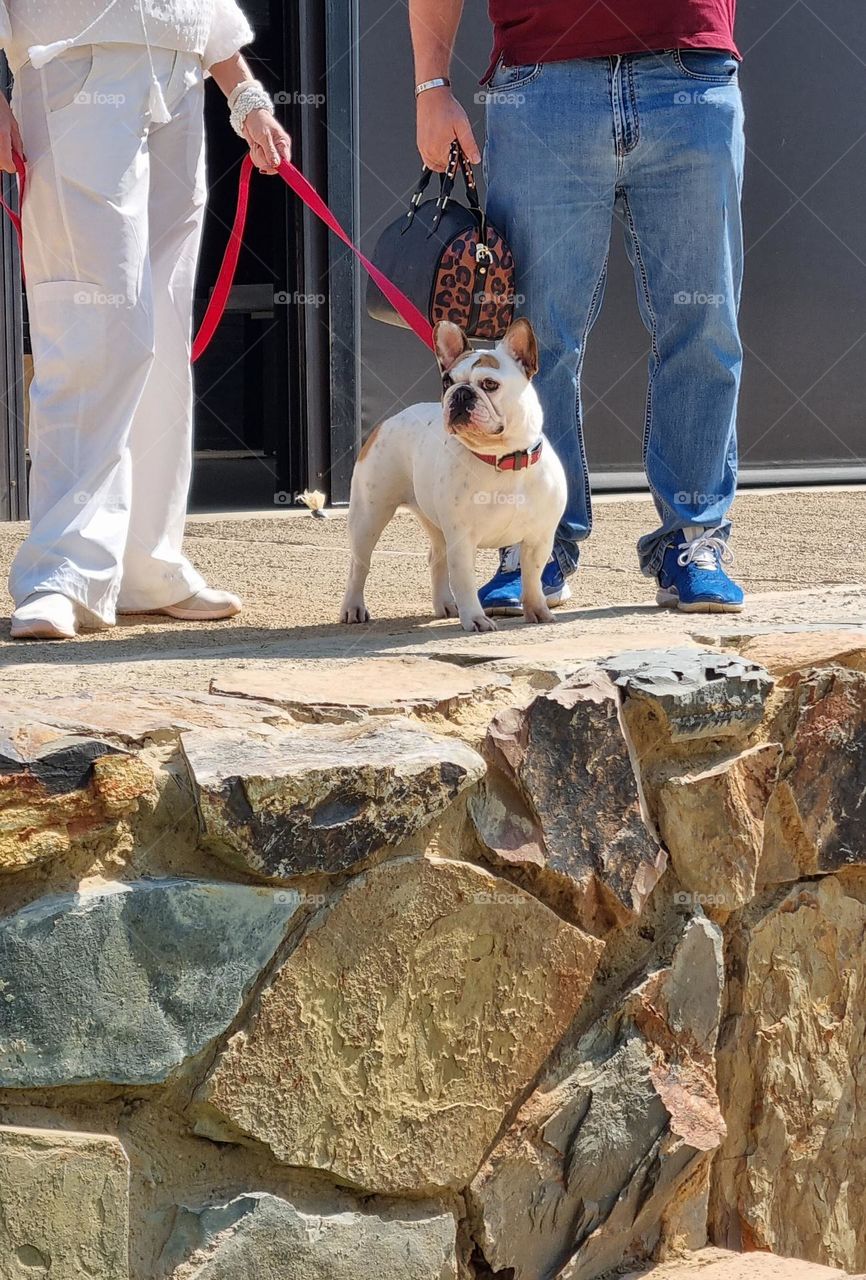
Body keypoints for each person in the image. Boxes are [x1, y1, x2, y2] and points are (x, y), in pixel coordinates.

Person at [409, 0, 746, 615]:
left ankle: (695, 539)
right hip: (542, 82)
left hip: (690, 71)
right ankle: (534, 547)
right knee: (535, 343)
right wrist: (432, 86)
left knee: (703, 327)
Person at [0, 0, 292, 639]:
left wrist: (244, 93)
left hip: (178, 73)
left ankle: (146, 564)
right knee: (88, 325)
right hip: (73, 58)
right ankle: (61, 572)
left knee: (159, 333)